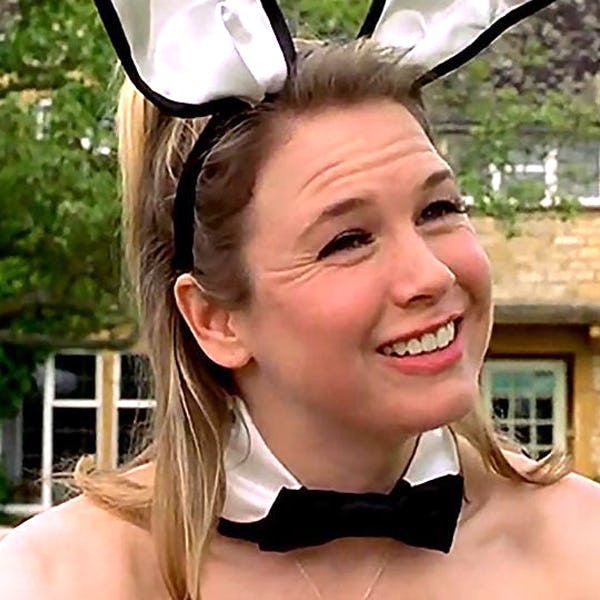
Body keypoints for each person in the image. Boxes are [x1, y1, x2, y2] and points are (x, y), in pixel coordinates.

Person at [2, 1, 600, 599]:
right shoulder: (57, 579)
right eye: (348, 241)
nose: (431, 274)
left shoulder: (582, 544)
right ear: (216, 320)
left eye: (438, 209)